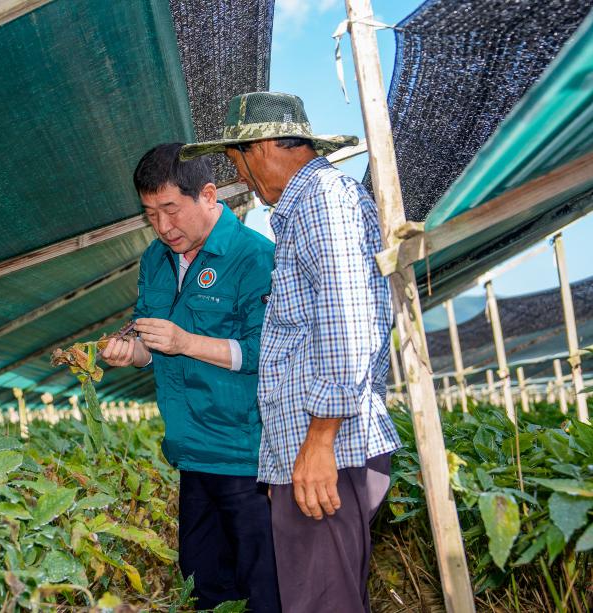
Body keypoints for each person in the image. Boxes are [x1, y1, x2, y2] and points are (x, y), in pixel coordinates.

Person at [181, 92, 402, 612]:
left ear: (259, 147)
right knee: (321, 597)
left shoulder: (323, 201)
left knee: (323, 603)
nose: (245, 180)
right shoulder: (308, 206)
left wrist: (319, 443)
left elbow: (346, 322)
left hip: (329, 450)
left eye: (237, 162)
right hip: (312, 450)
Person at [101, 143, 279, 611]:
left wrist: (185, 342)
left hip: (248, 457)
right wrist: (132, 353)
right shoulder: (154, 260)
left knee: (264, 590)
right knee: (206, 588)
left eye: (171, 210)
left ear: (207, 194)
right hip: (191, 452)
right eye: (150, 214)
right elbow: (152, 343)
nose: (162, 227)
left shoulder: (254, 257)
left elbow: (269, 353)